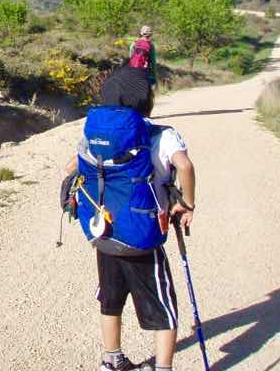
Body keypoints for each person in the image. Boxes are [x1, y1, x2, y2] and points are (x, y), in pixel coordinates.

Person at [63, 67, 196, 371]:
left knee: (110, 299)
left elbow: (70, 167)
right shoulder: (161, 135)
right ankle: (163, 367)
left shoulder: (97, 137)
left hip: (104, 233)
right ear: (146, 101)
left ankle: (111, 359)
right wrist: (187, 204)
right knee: (163, 307)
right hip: (142, 237)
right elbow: (185, 166)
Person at [128, 26, 158, 90]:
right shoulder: (150, 45)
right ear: (150, 34)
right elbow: (153, 63)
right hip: (144, 72)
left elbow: (130, 58)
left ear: (141, 33)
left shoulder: (134, 44)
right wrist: (154, 78)